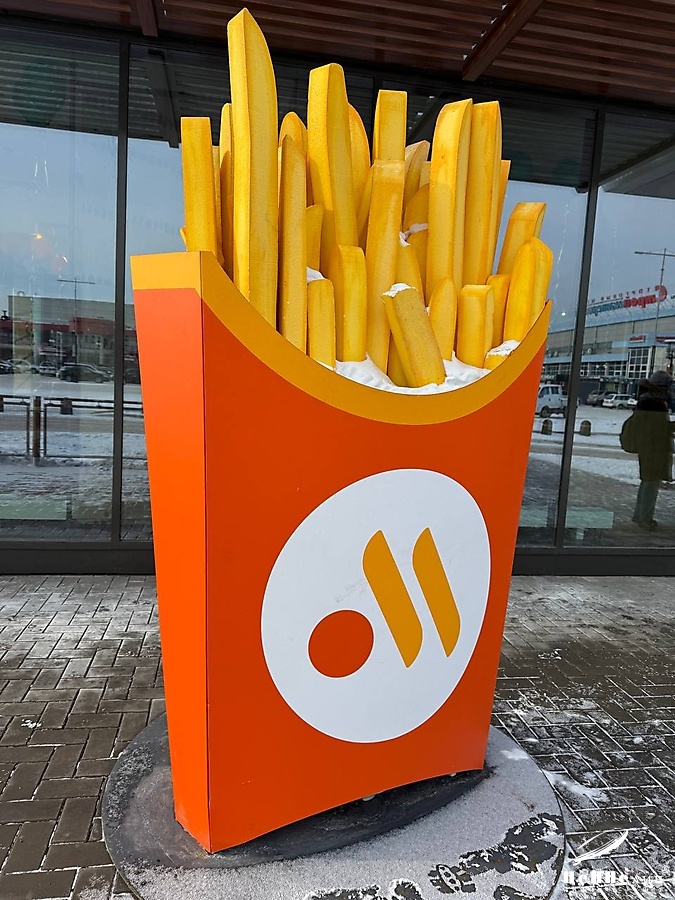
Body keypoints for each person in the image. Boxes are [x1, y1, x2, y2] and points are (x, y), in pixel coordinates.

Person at [632, 370, 675, 531]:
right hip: (653, 448)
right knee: (651, 484)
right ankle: (645, 518)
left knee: (647, 482)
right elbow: (657, 427)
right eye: (668, 386)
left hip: (648, 447)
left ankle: (640, 515)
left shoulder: (647, 400)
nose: (669, 390)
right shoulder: (653, 403)